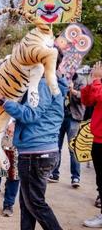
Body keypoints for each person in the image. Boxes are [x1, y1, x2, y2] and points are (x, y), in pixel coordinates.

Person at [0, 51, 67, 230]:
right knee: (27, 204)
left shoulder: (44, 84)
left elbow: (30, 114)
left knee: (35, 204)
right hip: (38, 152)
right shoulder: (50, 83)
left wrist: (1, 100)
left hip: (36, 154)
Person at [49, 73, 86, 187]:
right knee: (56, 147)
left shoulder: (81, 79)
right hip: (59, 117)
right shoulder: (57, 78)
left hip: (74, 118)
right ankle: (54, 174)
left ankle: (75, 177)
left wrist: (72, 90)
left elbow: (84, 97)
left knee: (73, 148)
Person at [81, 61, 102, 228]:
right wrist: (91, 82)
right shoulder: (97, 83)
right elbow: (87, 100)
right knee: (100, 179)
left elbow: (98, 96)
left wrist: (96, 80)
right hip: (98, 139)